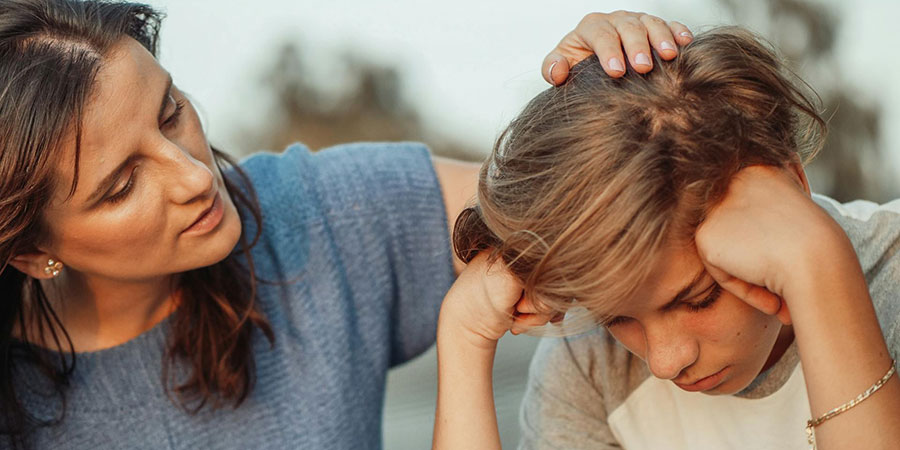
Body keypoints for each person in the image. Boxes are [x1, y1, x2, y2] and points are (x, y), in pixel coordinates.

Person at [0, 0, 692, 448]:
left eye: (171, 111)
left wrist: (614, 98)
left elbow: (588, 204)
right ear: (32, 251)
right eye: (122, 185)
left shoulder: (321, 213)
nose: (195, 177)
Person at [433, 27, 900, 450]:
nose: (664, 361)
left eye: (699, 298)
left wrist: (819, 266)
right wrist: (463, 337)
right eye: (616, 317)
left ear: (793, 187)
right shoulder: (590, 367)